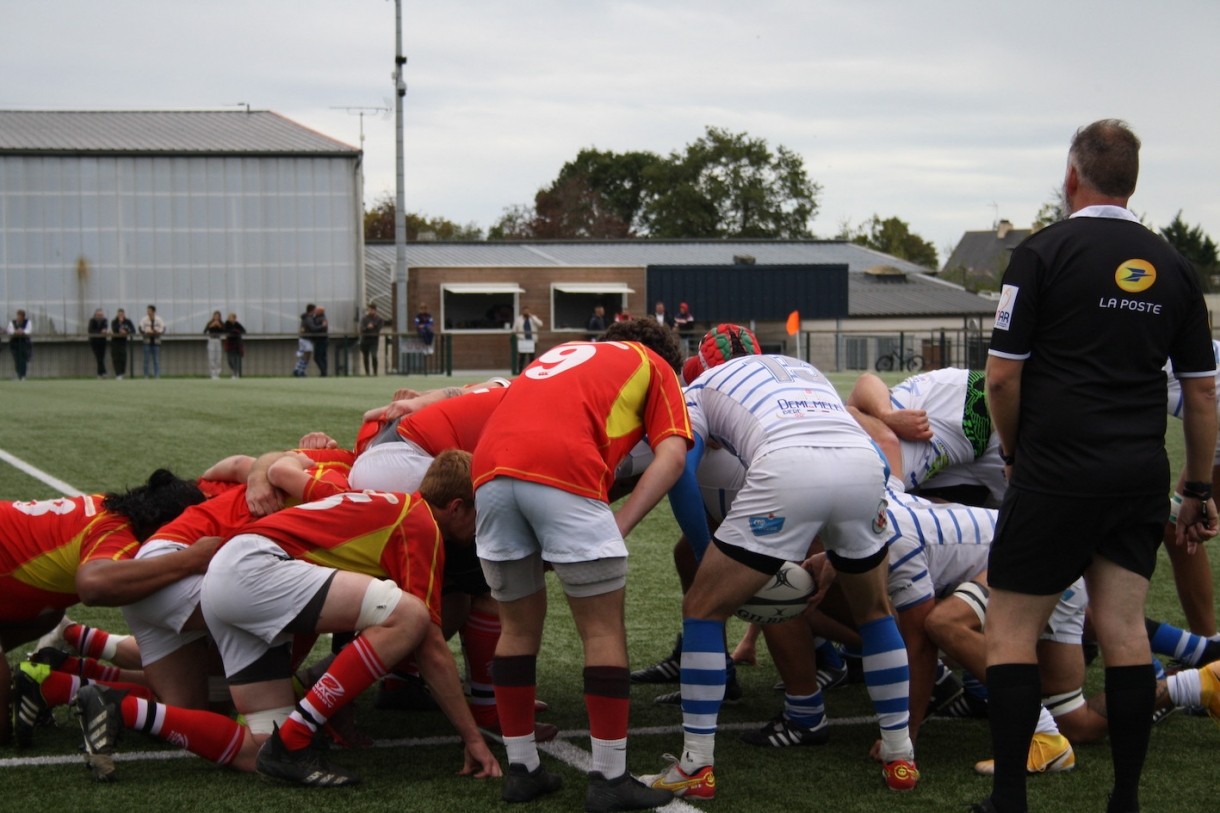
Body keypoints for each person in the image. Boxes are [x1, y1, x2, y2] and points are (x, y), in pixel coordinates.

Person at [975, 119, 1219, 813]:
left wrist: (1018, 454)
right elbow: (1202, 390)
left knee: (1011, 631)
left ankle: (1010, 799)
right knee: (1124, 631)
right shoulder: (1175, 266)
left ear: (1073, 176)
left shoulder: (1041, 253)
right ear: (1132, 181)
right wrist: (1196, 485)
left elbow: (1000, 378)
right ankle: (1126, 799)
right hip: (1137, 475)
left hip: (1056, 471)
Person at [649, 325, 918, 797]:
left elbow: (679, 469)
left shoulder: (698, 386)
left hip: (787, 468)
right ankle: (900, 756)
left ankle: (696, 767)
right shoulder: (805, 370)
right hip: (862, 468)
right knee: (876, 612)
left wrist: (700, 546)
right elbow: (875, 452)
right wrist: (850, 533)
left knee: (702, 608)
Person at [471, 317, 690, 810]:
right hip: (561, 466)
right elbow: (672, 456)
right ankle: (610, 778)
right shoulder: (654, 365)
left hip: (488, 468)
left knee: (517, 628)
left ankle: (523, 768)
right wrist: (622, 522)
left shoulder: (565, 351)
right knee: (602, 630)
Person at [512, 306, 543, 370]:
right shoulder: (519, 319)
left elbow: (540, 324)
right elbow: (514, 330)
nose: (526, 312)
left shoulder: (533, 318)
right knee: (522, 357)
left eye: (527, 311)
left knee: (532, 356)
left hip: (532, 340)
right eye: (525, 311)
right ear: (522, 312)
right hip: (523, 340)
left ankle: (531, 370)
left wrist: (532, 317)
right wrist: (520, 336)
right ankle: (520, 371)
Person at [139, 305, 165, 379]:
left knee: (156, 359)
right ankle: (146, 375)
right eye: (147, 311)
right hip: (146, 341)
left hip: (156, 342)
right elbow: (140, 328)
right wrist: (146, 332)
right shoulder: (144, 319)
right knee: (146, 359)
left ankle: (157, 375)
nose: (148, 312)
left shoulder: (159, 319)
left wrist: (157, 332)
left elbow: (163, 328)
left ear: (153, 311)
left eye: (149, 311)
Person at [359, 303, 385, 376]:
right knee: (365, 356)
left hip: (374, 340)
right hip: (365, 339)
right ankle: (367, 372)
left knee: (374, 355)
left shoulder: (379, 319)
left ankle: (375, 372)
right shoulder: (364, 318)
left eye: (372, 310)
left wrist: (373, 326)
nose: (370, 311)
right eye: (369, 310)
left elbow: (378, 328)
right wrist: (367, 327)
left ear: (375, 310)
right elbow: (361, 328)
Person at [110, 309, 135, 380]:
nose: (121, 316)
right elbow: (114, 329)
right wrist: (120, 323)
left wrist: (126, 332)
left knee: (123, 358)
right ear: (117, 315)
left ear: (124, 314)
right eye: (119, 314)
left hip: (123, 342)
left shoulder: (128, 321)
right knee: (116, 358)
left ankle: (122, 373)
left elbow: (133, 330)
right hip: (115, 342)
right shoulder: (114, 321)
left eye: (122, 314)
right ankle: (118, 374)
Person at [7, 309, 32, 381]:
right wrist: (16, 332)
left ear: (23, 317)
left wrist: (22, 332)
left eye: (20, 316)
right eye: (18, 316)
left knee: (23, 359)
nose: (18, 317)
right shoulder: (12, 322)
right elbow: (10, 331)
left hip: (24, 342)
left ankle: (23, 376)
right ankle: (18, 375)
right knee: (16, 359)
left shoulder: (28, 322)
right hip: (14, 343)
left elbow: (29, 330)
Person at [293, 304, 315, 377]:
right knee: (307, 355)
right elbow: (313, 328)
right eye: (314, 310)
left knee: (304, 355)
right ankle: (300, 371)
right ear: (312, 310)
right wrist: (321, 326)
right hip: (306, 339)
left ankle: (297, 369)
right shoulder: (308, 319)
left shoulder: (305, 318)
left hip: (303, 338)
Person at [87, 308, 110, 379]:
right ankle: (104, 372)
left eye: (101, 315)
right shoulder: (92, 321)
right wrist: (100, 331)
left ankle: (100, 374)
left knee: (101, 358)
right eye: (99, 315)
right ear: (96, 315)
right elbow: (91, 330)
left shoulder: (105, 320)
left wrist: (104, 331)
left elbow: (105, 328)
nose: (100, 316)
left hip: (102, 341)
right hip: (94, 341)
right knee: (98, 357)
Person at [223, 312, 246, 379]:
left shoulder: (237, 324)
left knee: (236, 359)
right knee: (230, 359)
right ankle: (234, 371)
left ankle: (236, 373)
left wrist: (235, 331)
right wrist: (235, 331)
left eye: (232, 317)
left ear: (235, 318)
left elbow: (243, 331)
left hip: (237, 344)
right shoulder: (227, 324)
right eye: (229, 317)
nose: (230, 319)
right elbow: (227, 331)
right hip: (230, 344)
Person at [203, 310, 225, 379]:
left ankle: (217, 373)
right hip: (211, 340)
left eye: (218, 316)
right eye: (215, 316)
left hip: (218, 340)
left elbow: (224, 331)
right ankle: (212, 374)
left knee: (218, 357)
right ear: (213, 316)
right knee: (211, 357)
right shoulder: (210, 323)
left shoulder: (221, 323)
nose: (216, 317)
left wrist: (219, 326)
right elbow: (205, 331)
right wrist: (211, 326)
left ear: (220, 317)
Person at [311, 305, 329, 377]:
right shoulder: (317, 317)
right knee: (322, 357)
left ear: (320, 311)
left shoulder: (322, 319)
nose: (315, 311)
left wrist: (317, 327)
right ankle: (324, 372)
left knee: (318, 357)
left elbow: (323, 328)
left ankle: (323, 372)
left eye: (317, 310)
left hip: (321, 340)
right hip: (320, 340)